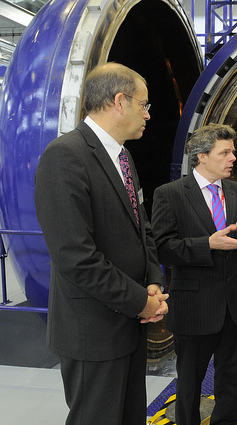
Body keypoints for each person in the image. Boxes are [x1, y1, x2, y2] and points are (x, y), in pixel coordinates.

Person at [34, 62, 168, 425]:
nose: (148, 115)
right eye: (144, 105)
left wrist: (153, 278)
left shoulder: (123, 158)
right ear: (120, 101)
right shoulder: (65, 156)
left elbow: (143, 229)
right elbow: (75, 257)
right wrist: (141, 301)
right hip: (92, 331)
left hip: (128, 325)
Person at [151, 123, 237, 425]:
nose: (233, 158)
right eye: (225, 152)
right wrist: (207, 244)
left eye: (233, 152)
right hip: (194, 307)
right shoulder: (170, 194)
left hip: (235, 305)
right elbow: (162, 247)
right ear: (201, 156)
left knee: (231, 383)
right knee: (190, 383)